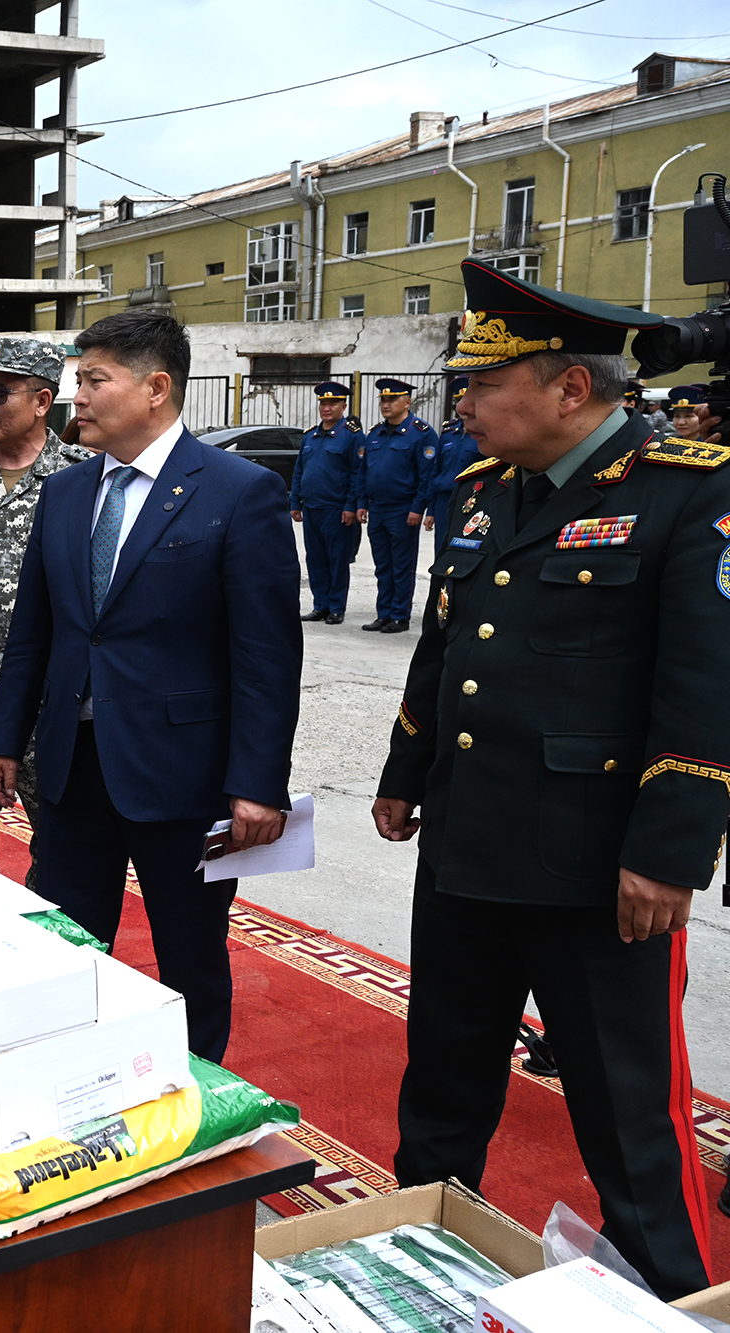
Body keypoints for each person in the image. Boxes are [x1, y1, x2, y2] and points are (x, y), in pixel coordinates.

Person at [373, 259, 723, 1299]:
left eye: (482, 384)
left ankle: (680, 1305)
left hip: (596, 872)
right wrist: (402, 770)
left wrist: (665, 857)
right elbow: (444, 649)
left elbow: (703, 695)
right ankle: (419, 1278)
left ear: (569, 388)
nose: (462, 403)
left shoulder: (687, 494)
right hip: (467, 848)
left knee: (628, 1119)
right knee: (440, 1084)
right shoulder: (485, 494)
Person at [0, 309, 300, 1062]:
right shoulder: (64, 494)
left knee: (189, 956)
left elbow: (266, 654)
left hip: (183, 777)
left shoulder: (237, 492)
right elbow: (37, 629)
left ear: (156, 388)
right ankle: (69, 1077)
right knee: (63, 943)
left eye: (94, 380)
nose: (77, 398)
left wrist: (257, 782)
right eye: (76, 380)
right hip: (70, 767)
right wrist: (6, 738)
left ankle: (193, 1107)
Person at [0, 337, 92, 871]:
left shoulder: (83, 477)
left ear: (43, 401)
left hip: (42, 700)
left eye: (0, 392)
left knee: (59, 839)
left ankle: (48, 947)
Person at [356, 378, 438, 632]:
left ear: (407, 401)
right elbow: (363, 471)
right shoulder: (375, 433)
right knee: (383, 565)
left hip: (402, 510)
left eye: (392, 399)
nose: (386, 404)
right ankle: (384, 613)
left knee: (402, 565)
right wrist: (361, 503)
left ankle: (400, 615)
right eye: (383, 399)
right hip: (377, 508)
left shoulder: (422, 433)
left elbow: (427, 475)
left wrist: (418, 507)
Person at [289, 382, 366, 624]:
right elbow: (300, 469)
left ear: (343, 406)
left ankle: (336, 607)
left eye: (333, 403)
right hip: (312, 507)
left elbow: (358, 473)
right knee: (315, 558)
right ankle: (320, 604)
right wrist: (295, 501)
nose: (327, 408)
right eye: (323, 403)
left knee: (337, 559)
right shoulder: (310, 436)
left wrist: (351, 506)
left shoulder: (352, 436)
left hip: (337, 510)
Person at [425, 375, 481, 558]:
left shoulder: (485, 433)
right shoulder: (448, 433)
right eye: (458, 401)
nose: (462, 407)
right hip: (444, 501)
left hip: (471, 500)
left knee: (466, 551)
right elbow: (436, 471)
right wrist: (431, 510)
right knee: (441, 551)